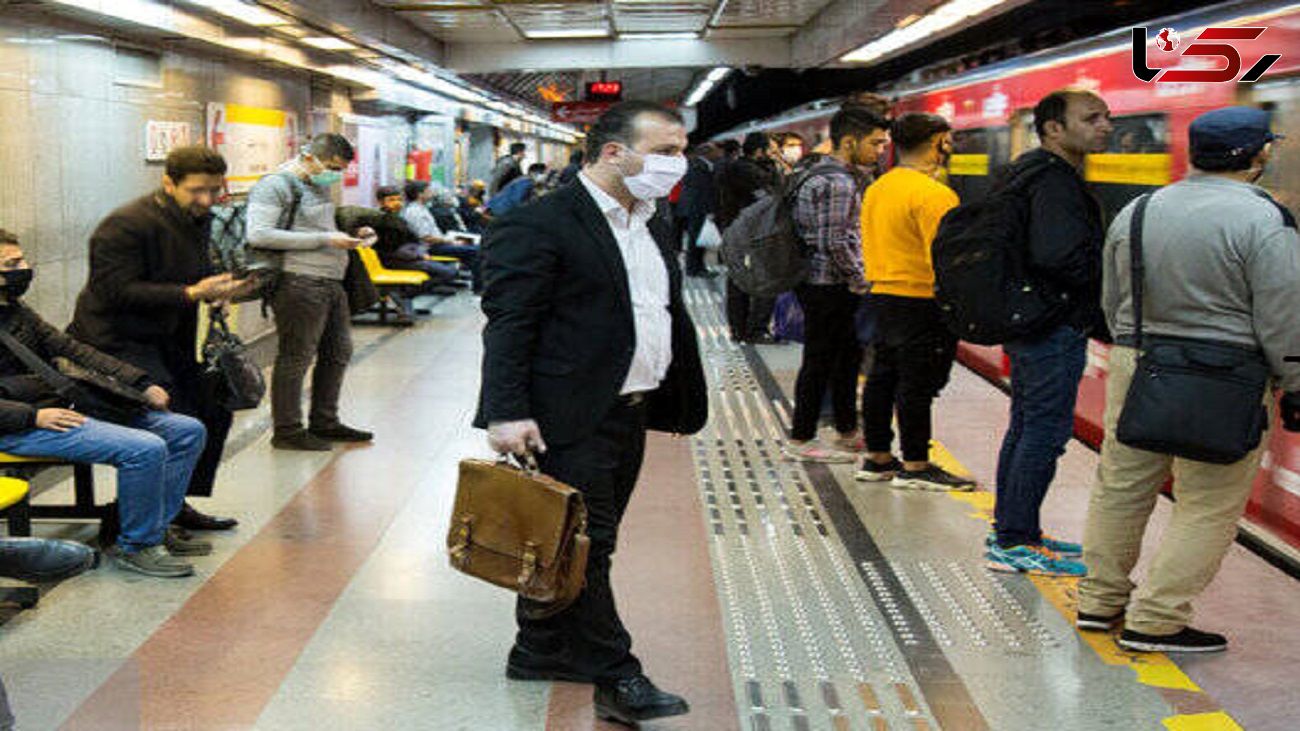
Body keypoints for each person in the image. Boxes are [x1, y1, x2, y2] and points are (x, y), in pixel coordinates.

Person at [475, 100, 706, 724]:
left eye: (680, 152)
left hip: (629, 409)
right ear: (613, 153)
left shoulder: (653, 221)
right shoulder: (540, 223)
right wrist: (505, 412)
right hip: (564, 413)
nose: (677, 164)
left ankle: (540, 647)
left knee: (570, 542)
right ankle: (616, 675)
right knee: (588, 546)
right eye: (664, 152)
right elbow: (509, 324)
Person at [1078, 107, 1300, 653]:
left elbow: (1111, 299)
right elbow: (1283, 313)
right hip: (1225, 377)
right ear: (1257, 155)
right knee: (1207, 502)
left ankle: (1098, 601)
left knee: (1121, 489)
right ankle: (1155, 621)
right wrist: (1295, 380)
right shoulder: (1265, 219)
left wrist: (1136, 346)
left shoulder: (1138, 210)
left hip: (1138, 363)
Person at [0, 232, 208, 577]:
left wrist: (140, 382)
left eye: (22, 259)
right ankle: (136, 545)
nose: (24, 268)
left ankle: (156, 527)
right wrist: (33, 416)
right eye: (12, 264)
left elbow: (73, 349)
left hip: (53, 406)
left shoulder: (15, 310)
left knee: (186, 431)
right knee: (144, 448)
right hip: (17, 424)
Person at [69, 145, 248, 532]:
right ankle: (132, 518)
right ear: (169, 183)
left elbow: (192, 274)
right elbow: (115, 290)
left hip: (167, 338)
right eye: (197, 191)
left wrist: (214, 292)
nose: (207, 200)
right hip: (115, 344)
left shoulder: (196, 219)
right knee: (171, 420)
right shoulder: (125, 225)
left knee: (213, 408)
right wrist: (190, 293)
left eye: (214, 190)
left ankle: (172, 504)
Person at [987, 89, 1113, 576]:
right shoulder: (1056, 182)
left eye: (1106, 117)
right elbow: (1058, 256)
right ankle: (1015, 542)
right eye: (1091, 118)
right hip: (1052, 324)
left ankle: (1013, 530)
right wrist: (1103, 276)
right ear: (1054, 129)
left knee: (1026, 426)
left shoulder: (1028, 172)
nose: (1105, 126)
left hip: (1031, 321)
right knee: (1044, 431)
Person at [856, 114, 974, 491]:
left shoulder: (879, 187)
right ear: (939, 142)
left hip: (882, 295)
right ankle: (916, 465)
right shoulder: (934, 194)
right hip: (922, 299)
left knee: (882, 377)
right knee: (917, 385)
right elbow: (944, 258)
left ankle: (877, 457)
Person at [247, 133, 375, 452]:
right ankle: (287, 429)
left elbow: (315, 227)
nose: (334, 174)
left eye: (340, 169)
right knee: (297, 355)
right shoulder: (275, 185)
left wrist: (351, 233)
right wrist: (325, 240)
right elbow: (259, 234)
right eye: (332, 167)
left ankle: (325, 421)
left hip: (330, 280)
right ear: (308, 157)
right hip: (298, 281)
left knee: (338, 351)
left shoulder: (315, 185)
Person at [784, 107, 888, 462]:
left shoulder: (814, 171)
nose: (879, 151)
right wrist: (860, 280)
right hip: (828, 284)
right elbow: (835, 241)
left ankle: (846, 430)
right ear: (849, 141)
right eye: (875, 143)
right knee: (820, 360)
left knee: (846, 357)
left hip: (821, 282)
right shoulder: (839, 182)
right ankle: (800, 438)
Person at [717, 132, 778, 342]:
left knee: (738, 281)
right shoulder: (749, 171)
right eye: (770, 150)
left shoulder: (734, 167)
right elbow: (772, 194)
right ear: (760, 151)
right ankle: (756, 330)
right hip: (754, 233)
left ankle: (739, 329)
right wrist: (773, 166)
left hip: (736, 229)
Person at [398, 181, 480, 291]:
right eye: (428, 191)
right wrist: (451, 241)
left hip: (439, 243)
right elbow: (426, 237)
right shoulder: (415, 212)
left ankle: (467, 279)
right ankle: (478, 286)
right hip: (430, 247)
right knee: (475, 250)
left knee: (473, 246)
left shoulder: (422, 208)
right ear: (420, 194)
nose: (431, 193)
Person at [372, 186, 458, 284]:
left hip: (409, 256)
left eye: (399, 199)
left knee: (450, 269)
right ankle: (412, 291)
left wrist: (420, 253)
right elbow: (389, 250)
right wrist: (419, 256)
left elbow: (414, 240)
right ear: (381, 202)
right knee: (449, 272)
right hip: (394, 261)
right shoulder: (379, 221)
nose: (397, 203)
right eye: (391, 200)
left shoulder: (399, 218)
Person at [677, 143, 721, 278]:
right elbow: (704, 191)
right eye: (715, 151)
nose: (718, 153)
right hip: (697, 208)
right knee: (696, 239)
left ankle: (696, 267)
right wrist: (710, 210)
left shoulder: (698, 165)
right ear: (707, 152)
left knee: (697, 239)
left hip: (695, 207)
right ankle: (694, 269)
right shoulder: (698, 167)